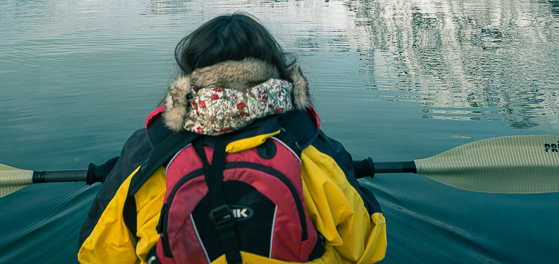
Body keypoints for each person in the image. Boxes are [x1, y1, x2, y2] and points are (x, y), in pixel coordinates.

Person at [78, 13, 387, 263]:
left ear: (191, 73)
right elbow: (365, 247)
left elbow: (97, 253)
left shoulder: (150, 147)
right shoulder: (307, 144)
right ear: (274, 70)